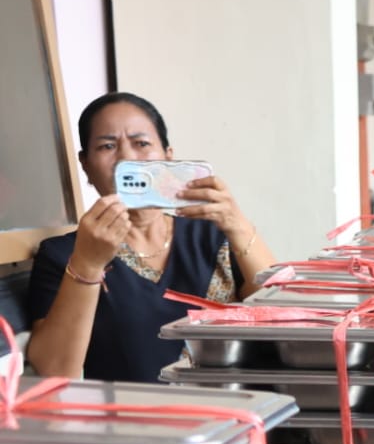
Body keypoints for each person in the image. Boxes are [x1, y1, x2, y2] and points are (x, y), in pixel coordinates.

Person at [24, 92, 273, 383]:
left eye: (141, 143)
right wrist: (88, 263)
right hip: (129, 424)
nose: (127, 158)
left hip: (237, 417)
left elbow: (285, 320)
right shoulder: (63, 254)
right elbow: (53, 371)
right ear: (86, 166)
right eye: (107, 146)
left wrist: (238, 225)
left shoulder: (214, 234)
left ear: (168, 156)